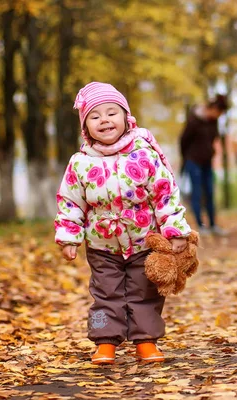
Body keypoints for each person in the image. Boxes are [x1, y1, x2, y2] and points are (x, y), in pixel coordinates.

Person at [54, 82, 191, 365]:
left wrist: (174, 229)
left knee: (145, 293)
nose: (104, 120)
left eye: (111, 113)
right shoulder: (80, 163)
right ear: (86, 126)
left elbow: (165, 194)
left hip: (143, 240)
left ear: (126, 118)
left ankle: (146, 342)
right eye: (95, 116)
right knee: (106, 293)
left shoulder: (144, 154)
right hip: (102, 244)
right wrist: (69, 236)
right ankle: (105, 342)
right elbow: (70, 201)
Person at [179, 95, 229, 235]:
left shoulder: (213, 122)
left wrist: (211, 152)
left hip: (207, 161)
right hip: (193, 161)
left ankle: (213, 225)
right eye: (218, 112)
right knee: (197, 193)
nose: (219, 116)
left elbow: (214, 138)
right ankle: (201, 226)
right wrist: (186, 158)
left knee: (210, 192)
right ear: (212, 108)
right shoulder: (194, 120)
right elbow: (183, 140)